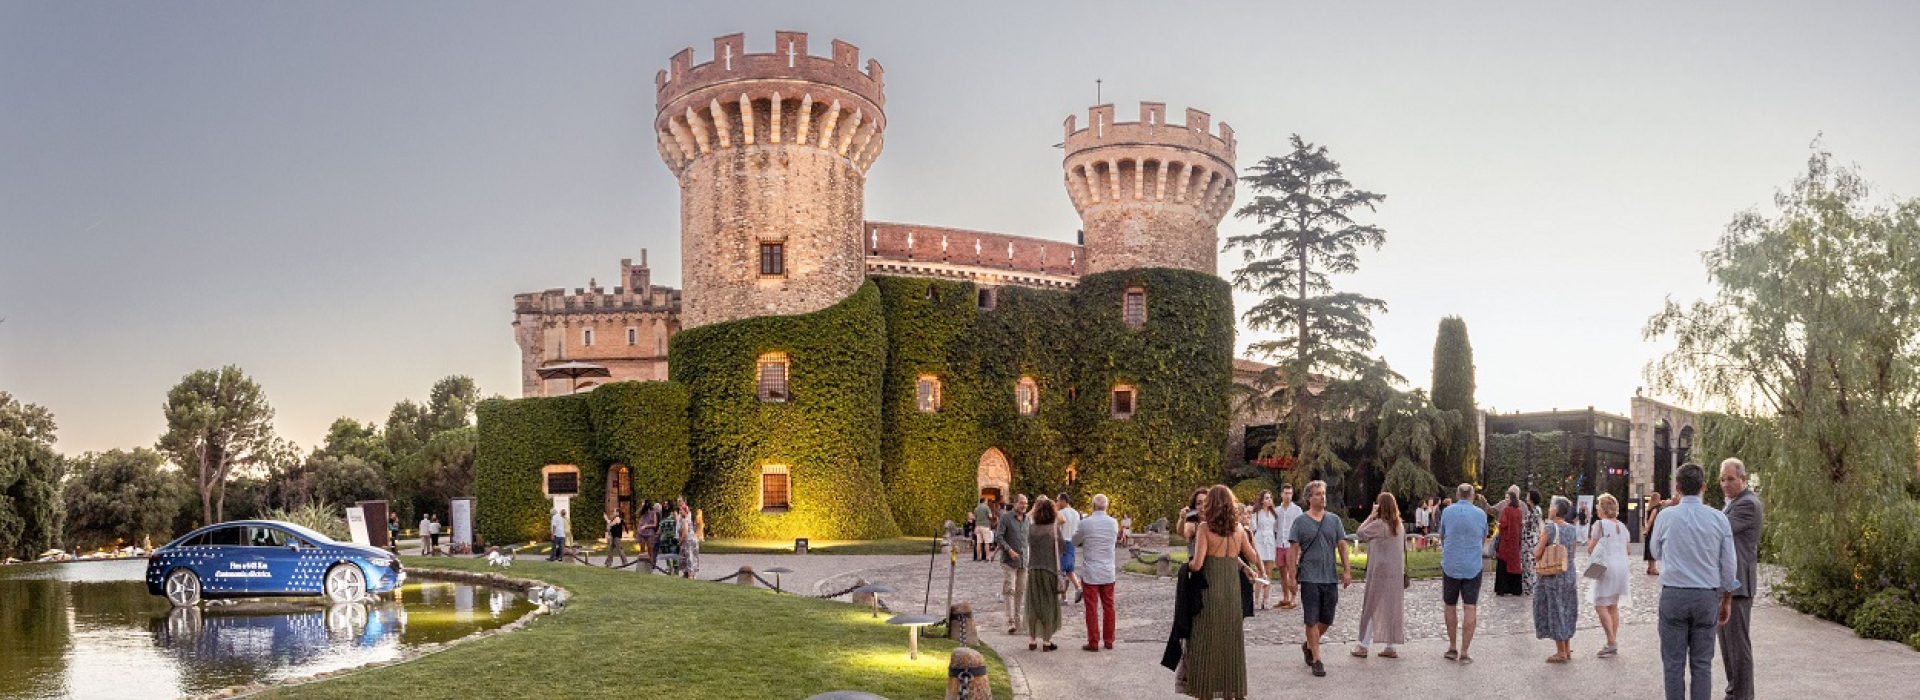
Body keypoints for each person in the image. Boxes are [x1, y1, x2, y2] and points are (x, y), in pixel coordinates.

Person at [1651, 463, 1740, 700]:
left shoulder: (1665, 516)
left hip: (1674, 595)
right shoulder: (1719, 519)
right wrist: (1726, 599)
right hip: (1705, 596)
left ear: (1677, 488)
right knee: (1702, 664)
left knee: (1673, 664)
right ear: (1703, 487)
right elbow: (1729, 567)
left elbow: (1655, 551)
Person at [1184, 484, 1263, 698]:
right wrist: (1247, 567)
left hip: (1209, 591)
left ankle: (1205, 691)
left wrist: (1187, 567)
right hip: (1231, 592)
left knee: (1206, 642)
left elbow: (1198, 563)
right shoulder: (1238, 529)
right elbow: (1251, 555)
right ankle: (1233, 690)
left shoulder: (1204, 529)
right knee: (1230, 642)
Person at [1290, 480, 1351, 678]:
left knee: (1327, 619)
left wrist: (1347, 571)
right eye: (1317, 494)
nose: (1322, 497)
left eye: (1323, 493)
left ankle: (1308, 645)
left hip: (1329, 577)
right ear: (1309, 498)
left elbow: (1342, 545)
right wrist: (1292, 577)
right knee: (1311, 620)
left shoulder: (1334, 520)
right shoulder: (1300, 522)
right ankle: (1317, 659)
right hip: (1309, 577)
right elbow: (1293, 551)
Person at [1719, 458, 1764, 700]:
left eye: (1731, 479)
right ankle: (1734, 690)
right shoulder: (1734, 502)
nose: (1725, 484)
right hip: (1728, 584)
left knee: (1738, 646)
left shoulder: (1747, 504)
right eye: (1722, 479)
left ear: (1743, 479)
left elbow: (1719, 528)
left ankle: (1742, 695)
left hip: (1739, 585)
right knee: (1728, 647)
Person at [1437, 482, 1490, 664]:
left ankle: (1452, 647)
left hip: (1451, 564)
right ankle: (1465, 651)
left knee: (1450, 605)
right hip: (1472, 565)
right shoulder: (1481, 514)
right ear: (1473, 496)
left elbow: (1442, 536)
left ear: (1458, 495)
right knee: (1470, 607)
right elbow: (1483, 539)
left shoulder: (1447, 512)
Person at [1352, 492, 1406, 659]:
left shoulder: (1380, 525)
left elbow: (1360, 533)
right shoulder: (1399, 526)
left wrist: (1371, 516)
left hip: (1379, 572)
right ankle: (1390, 646)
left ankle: (1363, 645)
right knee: (1392, 608)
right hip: (1395, 573)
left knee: (1371, 607)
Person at [1073, 493, 1124, 652]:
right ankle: (1109, 640)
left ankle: (1093, 641)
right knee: (1109, 606)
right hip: (1108, 570)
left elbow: (1075, 541)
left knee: (1091, 607)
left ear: (1093, 506)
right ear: (1106, 506)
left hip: (1091, 570)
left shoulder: (1086, 523)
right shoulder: (1113, 523)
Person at [1533, 496, 1580, 662]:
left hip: (1552, 575)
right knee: (1567, 608)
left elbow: (1538, 553)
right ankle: (1566, 648)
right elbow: (1572, 553)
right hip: (1568, 573)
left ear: (1555, 510)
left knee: (1555, 609)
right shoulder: (1572, 529)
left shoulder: (1549, 528)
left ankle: (1560, 652)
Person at [1586, 493, 1632, 658]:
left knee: (1600, 604)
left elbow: (1591, 547)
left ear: (1603, 509)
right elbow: (1628, 549)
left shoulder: (1600, 524)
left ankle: (1611, 641)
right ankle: (1612, 639)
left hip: (1606, 567)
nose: (1597, 508)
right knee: (1613, 605)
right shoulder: (1622, 526)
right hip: (1622, 567)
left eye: (1598, 505)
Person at [1025, 496, 1064, 651]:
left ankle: (1032, 640)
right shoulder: (1054, 528)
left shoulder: (1031, 529)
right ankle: (1047, 642)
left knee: (1033, 604)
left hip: (1033, 570)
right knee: (1048, 604)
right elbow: (1062, 547)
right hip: (1050, 571)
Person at [994, 494, 1032, 635]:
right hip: (1009, 561)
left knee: (1020, 591)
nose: (1024, 506)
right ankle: (1009, 621)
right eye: (1021, 503)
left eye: (1026, 503)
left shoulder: (1027, 520)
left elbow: (1028, 540)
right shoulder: (1006, 518)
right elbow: (999, 536)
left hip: (1023, 562)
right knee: (1010, 589)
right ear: (1015, 503)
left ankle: (1017, 619)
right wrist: (1009, 550)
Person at [1274, 483, 1304, 610]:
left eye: (1290, 493)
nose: (1288, 496)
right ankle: (1285, 597)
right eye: (1286, 493)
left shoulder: (1297, 510)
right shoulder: (1276, 510)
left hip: (1292, 545)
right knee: (1282, 572)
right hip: (1279, 543)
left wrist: (1300, 547)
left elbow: (1301, 528)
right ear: (1281, 494)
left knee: (1292, 572)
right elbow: (1275, 527)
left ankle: (1293, 598)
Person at [1250, 490, 1281, 610]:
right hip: (1260, 541)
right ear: (1262, 500)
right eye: (1266, 498)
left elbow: (1276, 528)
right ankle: (1256, 598)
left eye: (1270, 498)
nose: (1269, 500)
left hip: (1270, 542)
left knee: (1268, 572)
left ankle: (1266, 598)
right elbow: (1253, 528)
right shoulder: (1257, 513)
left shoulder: (1273, 514)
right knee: (1259, 571)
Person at [1494, 488, 1525, 596]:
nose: (1505, 499)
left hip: (1506, 541)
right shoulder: (1519, 511)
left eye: (1507, 497)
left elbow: (1504, 524)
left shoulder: (1506, 510)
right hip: (1515, 541)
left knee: (1503, 564)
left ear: (1511, 499)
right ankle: (1515, 589)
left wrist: (1498, 525)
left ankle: (1502, 588)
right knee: (1514, 564)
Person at [1056, 493, 1082, 603]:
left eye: (1058, 501)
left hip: (1063, 541)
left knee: (1062, 569)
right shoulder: (1076, 513)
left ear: (1062, 501)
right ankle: (1066, 596)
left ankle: (1070, 592)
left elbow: (1057, 528)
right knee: (1068, 568)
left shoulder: (1060, 513)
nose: (1057, 503)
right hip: (1072, 541)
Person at [1520, 490, 1543, 595]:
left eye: (1528, 496)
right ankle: (1528, 586)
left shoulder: (1534, 510)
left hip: (1530, 540)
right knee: (1528, 563)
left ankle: (1531, 586)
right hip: (1531, 539)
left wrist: (1522, 522)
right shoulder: (1535, 509)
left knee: (1529, 563)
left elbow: (1529, 524)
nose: (1526, 498)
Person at [677, 498, 701, 578]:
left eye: (682, 511)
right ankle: (688, 574)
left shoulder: (685, 520)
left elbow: (685, 533)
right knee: (691, 557)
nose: (680, 512)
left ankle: (690, 575)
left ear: (685, 511)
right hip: (692, 540)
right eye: (680, 511)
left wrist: (679, 543)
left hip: (688, 541)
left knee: (689, 557)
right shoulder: (686, 518)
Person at [1643, 491, 1665, 576]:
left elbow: (1646, 519)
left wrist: (1645, 528)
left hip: (1648, 530)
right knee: (1653, 548)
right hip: (1652, 529)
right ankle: (1653, 568)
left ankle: (1649, 567)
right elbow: (1651, 520)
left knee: (1648, 548)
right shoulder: (1655, 508)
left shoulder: (1648, 508)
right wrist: (1648, 529)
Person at [973, 498, 994, 562]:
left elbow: (974, 517)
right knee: (986, 542)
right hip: (985, 526)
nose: (987, 502)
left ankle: (978, 557)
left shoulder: (976, 508)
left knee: (979, 542)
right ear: (984, 501)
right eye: (987, 501)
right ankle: (987, 557)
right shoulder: (986, 507)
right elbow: (990, 516)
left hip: (978, 526)